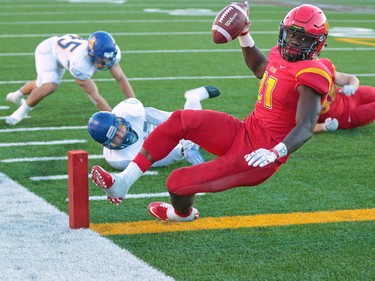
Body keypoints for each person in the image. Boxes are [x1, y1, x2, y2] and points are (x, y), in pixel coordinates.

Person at [90, 3, 333, 222]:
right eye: (290, 34)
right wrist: (244, 34)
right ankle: (123, 182)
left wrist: (276, 151)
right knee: (181, 120)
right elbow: (261, 67)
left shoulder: (312, 72)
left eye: (301, 39)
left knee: (177, 182)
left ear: (317, 42)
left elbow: (306, 125)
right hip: (246, 130)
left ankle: (180, 214)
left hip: (259, 156)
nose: (292, 42)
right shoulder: (279, 55)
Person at [5, 31, 135, 126]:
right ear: (91, 54)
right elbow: (94, 96)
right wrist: (114, 121)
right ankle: (20, 112)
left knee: (41, 84)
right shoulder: (80, 63)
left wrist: (134, 104)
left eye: (108, 58)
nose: (105, 62)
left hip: (65, 52)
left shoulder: (111, 52)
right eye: (102, 58)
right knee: (50, 85)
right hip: (49, 51)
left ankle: (17, 95)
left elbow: (120, 78)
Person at [87, 86, 221, 171]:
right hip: (156, 145)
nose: (121, 135)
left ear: (119, 119)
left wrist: (186, 136)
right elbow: (164, 153)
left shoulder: (128, 112)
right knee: (190, 145)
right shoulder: (121, 159)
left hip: (155, 122)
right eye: (114, 138)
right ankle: (193, 98)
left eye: (119, 129)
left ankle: (193, 97)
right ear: (107, 145)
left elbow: (147, 112)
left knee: (194, 123)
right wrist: (186, 148)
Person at [313, 63, 375, 132]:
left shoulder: (322, 67)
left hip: (348, 95)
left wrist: (353, 86)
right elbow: (301, 124)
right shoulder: (302, 88)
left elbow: (351, 78)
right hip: (346, 116)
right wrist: (324, 126)